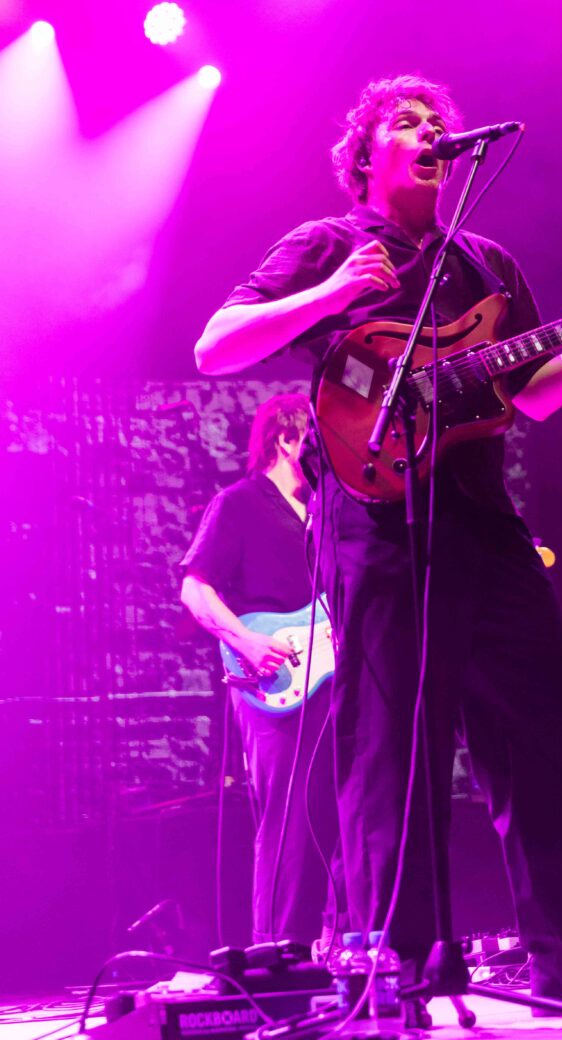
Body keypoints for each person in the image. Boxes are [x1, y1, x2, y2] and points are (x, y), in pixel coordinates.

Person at [193, 74, 562, 1008]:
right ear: (365, 155)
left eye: (437, 124)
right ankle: (402, 973)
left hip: (482, 522)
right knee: (391, 750)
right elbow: (216, 346)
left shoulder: (487, 266)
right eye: (407, 123)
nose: (429, 133)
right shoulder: (327, 245)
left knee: (544, 726)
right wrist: (331, 293)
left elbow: (538, 392)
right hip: (374, 525)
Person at [180, 392, 345, 949]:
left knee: (347, 808)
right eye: (321, 437)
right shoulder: (238, 504)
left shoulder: (329, 511)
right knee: (291, 812)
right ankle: (281, 949)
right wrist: (246, 641)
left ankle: (350, 946)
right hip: (274, 682)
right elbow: (195, 588)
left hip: (335, 677)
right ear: (287, 438)